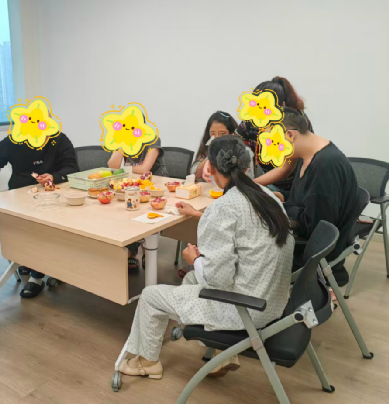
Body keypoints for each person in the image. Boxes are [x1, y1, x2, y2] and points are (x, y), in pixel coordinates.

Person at [119, 136, 294, 380]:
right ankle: (222, 350)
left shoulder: (222, 208)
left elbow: (218, 280)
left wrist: (195, 260)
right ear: (247, 166)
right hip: (274, 300)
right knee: (191, 280)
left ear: (209, 167)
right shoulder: (266, 195)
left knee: (150, 296)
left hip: (247, 309)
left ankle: (148, 363)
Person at [0, 131, 79, 298]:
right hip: (19, 194)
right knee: (9, 223)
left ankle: (37, 276)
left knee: (44, 226)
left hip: (53, 193)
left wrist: (54, 176)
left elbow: (72, 167)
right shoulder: (14, 140)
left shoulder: (58, 139)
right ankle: (25, 259)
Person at [271, 108, 360, 286]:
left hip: (314, 252)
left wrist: (281, 206)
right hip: (305, 237)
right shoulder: (308, 155)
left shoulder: (324, 166)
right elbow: (307, 199)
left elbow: (315, 227)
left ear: (290, 135)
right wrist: (282, 197)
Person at [236, 77, 313, 196]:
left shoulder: (295, 122)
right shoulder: (251, 121)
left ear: (282, 108)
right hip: (269, 183)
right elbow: (231, 145)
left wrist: (250, 185)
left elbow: (286, 168)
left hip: (300, 186)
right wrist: (211, 161)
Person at [109, 137, 169, 270]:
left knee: (149, 214)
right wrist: (121, 143)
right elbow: (112, 165)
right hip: (134, 184)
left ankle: (148, 250)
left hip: (155, 184)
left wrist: (126, 168)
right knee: (128, 212)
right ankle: (132, 251)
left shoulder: (152, 139)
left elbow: (144, 169)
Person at [192, 111, 255, 181]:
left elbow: (246, 180)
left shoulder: (243, 152)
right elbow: (194, 174)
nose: (217, 138)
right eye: (213, 134)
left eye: (222, 134)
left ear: (232, 134)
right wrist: (210, 155)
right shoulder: (207, 148)